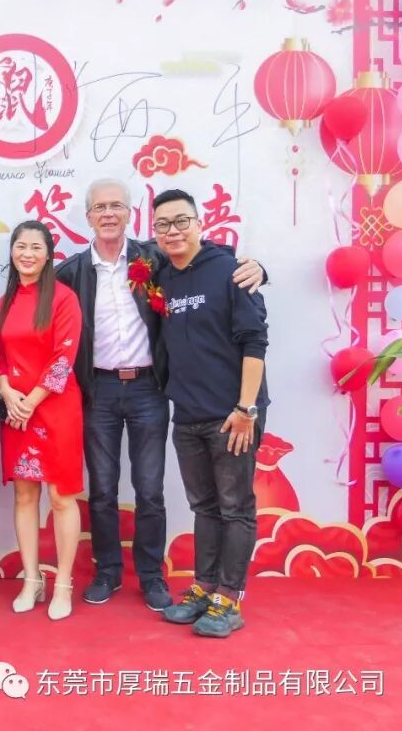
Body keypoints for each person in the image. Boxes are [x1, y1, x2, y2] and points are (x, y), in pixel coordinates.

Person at [55, 178, 265, 611]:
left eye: (117, 205)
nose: (108, 214)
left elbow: (208, 258)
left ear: (130, 213)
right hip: (98, 390)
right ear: (88, 216)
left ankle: (151, 575)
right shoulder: (71, 272)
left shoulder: (154, 258)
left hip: (149, 388)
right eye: (100, 207)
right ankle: (108, 571)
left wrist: (259, 268)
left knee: (150, 488)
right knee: (102, 489)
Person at [151, 188, 270, 638]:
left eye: (181, 221)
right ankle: (204, 587)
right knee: (204, 507)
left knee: (235, 507)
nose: (173, 231)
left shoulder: (229, 270)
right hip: (187, 416)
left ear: (199, 223)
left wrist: (246, 409)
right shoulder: (163, 277)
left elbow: (255, 342)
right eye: (163, 224)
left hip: (232, 416)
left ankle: (229, 597)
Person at [0, 221, 83, 620]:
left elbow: (64, 357)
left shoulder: (64, 298)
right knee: (25, 495)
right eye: (20, 246)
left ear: (48, 255)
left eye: (35, 247)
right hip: (16, 410)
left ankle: (63, 582)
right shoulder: (7, 300)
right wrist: (6, 391)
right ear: (12, 252)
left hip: (56, 408)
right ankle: (31, 579)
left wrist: (30, 400)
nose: (27, 254)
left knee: (61, 497)